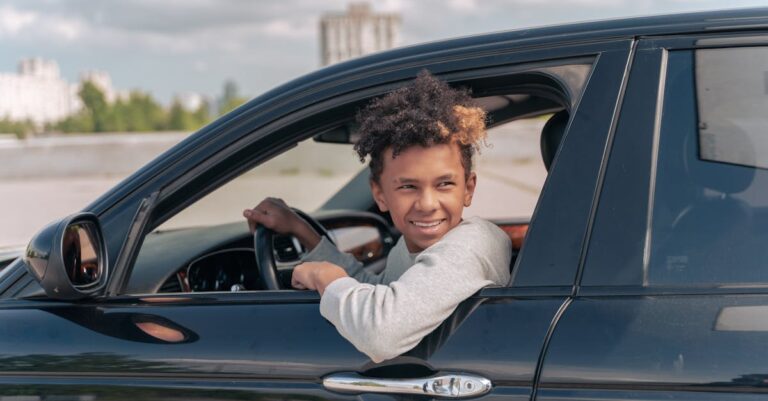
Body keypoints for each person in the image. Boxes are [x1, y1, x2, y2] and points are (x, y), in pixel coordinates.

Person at [243, 71, 511, 362]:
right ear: (380, 194)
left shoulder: (471, 247)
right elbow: (375, 291)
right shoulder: (413, 245)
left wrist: (323, 277)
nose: (427, 204)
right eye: (408, 186)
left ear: (468, 189)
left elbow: (380, 333)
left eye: (444, 184)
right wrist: (301, 230)